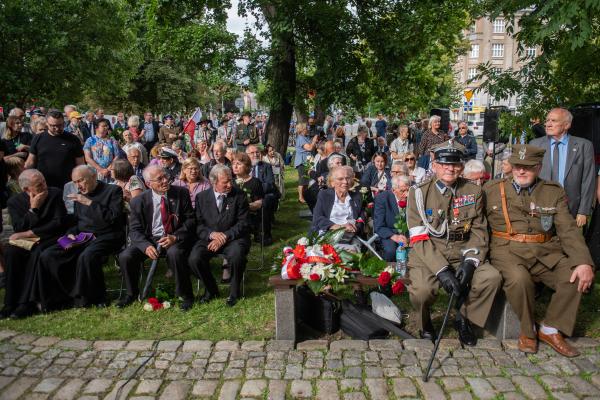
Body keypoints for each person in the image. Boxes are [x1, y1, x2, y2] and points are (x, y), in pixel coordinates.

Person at [483, 144, 594, 357]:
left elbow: (568, 229)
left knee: (574, 276)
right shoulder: (492, 190)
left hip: (545, 250)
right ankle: (528, 331)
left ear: (539, 167)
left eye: (528, 166)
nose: (521, 171)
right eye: (517, 166)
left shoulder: (552, 192)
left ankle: (551, 329)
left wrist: (583, 261)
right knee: (519, 279)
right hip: (507, 250)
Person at [406, 140, 501, 346]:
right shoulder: (419, 193)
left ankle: (464, 318)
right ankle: (425, 324)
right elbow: (419, 237)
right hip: (429, 251)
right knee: (422, 291)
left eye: (456, 164)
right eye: (444, 163)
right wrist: (441, 270)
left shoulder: (473, 192)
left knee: (491, 278)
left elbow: (478, 229)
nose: (450, 168)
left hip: (463, 249)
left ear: (462, 166)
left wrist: (470, 261)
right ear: (435, 165)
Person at [37, 166, 125, 309]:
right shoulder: (79, 195)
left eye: (81, 181)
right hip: (82, 236)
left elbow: (112, 219)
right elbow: (78, 222)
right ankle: (60, 297)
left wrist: (89, 202)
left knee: (88, 255)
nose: (78, 185)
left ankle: (91, 298)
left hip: (108, 235)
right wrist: (70, 234)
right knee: (48, 255)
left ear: (93, 177)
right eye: (75, 182)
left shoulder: (112, 191)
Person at [117, 165, 196, 310]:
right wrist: (145, 246)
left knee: (175, 253)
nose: (165, 180)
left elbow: (190, 220)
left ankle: (185, 294)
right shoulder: (138, 201)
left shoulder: (181, 193)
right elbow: (134, 230)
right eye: (160, 179)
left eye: (166, 176)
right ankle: (131, 293)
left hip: (173, 237)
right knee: (125, 256)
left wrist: (175, 237)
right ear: (148, 184)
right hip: (150, 239)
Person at [2, 170, 68, 318]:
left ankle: (26, 303)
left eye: (44, 181)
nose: (44, 186)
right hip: (30, 240)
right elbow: (19, 227)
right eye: (39, 185)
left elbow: (58, 223)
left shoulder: (54, 193)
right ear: (26, 189)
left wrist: (30, 233)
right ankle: (10, 302)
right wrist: (33, 209)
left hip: (51, 237)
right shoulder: (15, 202)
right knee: (10, 252)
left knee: (37, 252)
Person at [188, 164, 250, 307]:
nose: (229, 185)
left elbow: (243, 223)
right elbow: (198, 224)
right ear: (213, 182)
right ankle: (211, 289)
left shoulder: (239, 195)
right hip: (209, 238)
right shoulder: (201, 197)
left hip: (234, 237)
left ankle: (234, 292)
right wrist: (211, 234)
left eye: (231, 180)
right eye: (225, 182)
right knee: (194, 259)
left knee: (237, 255)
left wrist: (224, 237)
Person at [530, 108, 595, 224]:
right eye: (547, 120)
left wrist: (583, 211)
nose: (547, 124)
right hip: (540, 208)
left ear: (566, 125)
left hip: (571, 209)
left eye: (553, 121)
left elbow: (588, 181)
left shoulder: (584, 146)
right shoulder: (535, 144)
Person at [25, 110, 85, 189]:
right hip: (44, 184)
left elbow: (80, 164)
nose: (57, 128)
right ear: (47, 123)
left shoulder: (73, 139)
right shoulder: (38, 138)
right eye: (53, 126)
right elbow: (30, 162)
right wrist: (25, 178)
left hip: (68, 184)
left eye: (60, 125)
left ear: (64, 122)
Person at [311, 165, 365, 238]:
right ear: (332, 182)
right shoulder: (324, 195)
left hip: (350, 235)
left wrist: (355, 228)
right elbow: (318, 218)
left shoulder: (357, 197)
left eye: (347, 178)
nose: (345, 182)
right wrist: (340, 227)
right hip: (329, 233)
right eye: (340, 179)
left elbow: (361, 218)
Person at [374, 175, 410, 262]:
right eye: (402, 191)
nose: (407, 194)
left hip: (408, 232)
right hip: (389, 233)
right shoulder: (382, 198)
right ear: (393, 190)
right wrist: (394, 236)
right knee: (391, 251)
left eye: (408, 190)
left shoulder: (412, 197)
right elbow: (379, 226)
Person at [232, 152, 265, 243]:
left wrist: (245, 206)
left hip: (250, 215)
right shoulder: (231, 183)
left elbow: (259, 202)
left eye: (238, 164)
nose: (235, 167)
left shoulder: (255, 182)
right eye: (233, 164)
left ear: (246, 166)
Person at [83, 119, 121, 183]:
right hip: (94, 172)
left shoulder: (112, 140)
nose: (106, 128)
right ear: (96, 127)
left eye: (107, 126)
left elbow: (117, 156)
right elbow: (87, 158)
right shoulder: (90, 140)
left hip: (110, 172)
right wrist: (101, 170)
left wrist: (108, 169)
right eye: (104, 126)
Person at [294, 122, 319, 204]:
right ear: (302, 130)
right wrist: (314, 140)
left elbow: (313, 146)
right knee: (302, 180)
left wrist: (315, 142)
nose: (307, 129)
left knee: (306, 180)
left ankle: (305, 195)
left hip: (308, 161)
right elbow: (309, 148)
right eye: (306, 128)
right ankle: (300, 197)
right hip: (302, 162)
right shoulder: (301, 138)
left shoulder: (305, 137)